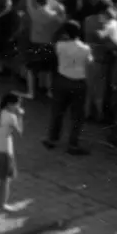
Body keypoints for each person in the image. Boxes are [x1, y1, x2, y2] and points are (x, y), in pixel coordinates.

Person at [44, 20, 91, 156]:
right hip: (78, 82)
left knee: (57, 111)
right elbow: (89, 62)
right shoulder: (85, 49)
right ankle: (73, 143)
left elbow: (54, 44)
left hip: (61, 79)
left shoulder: (60, 45)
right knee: (77, 116)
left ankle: (52, 139)